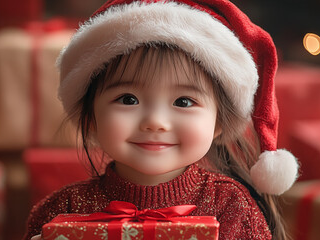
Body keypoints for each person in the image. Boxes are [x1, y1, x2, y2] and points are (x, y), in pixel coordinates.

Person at [25, 0, 299, 239]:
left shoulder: (233, 207)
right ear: (91, 116)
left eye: (183, 102)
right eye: (128, 99)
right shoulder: (62, 209)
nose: (155, 122)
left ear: (218, 123)